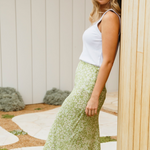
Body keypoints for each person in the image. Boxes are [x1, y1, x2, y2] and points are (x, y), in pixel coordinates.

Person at [43, 0, 121, 149]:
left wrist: (94, 96)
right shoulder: (102, 16)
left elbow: (108, 61)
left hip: (89, 86)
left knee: (64, 128)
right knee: (82, 135)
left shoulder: (110, 17)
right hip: (83, 83)